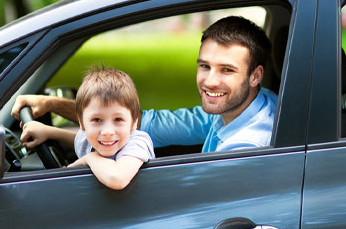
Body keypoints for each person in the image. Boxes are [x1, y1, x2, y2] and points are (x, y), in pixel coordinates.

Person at [12, 16, 277, 152]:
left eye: (227, 70)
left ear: (255, 75)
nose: (210, 81)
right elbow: (140, 124)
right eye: (204, 66)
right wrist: (51, 105)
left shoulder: (246, 146)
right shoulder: (241, 105)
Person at [20, 67, 154, 190]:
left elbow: (117, 179)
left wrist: (88, 159)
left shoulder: (138, 142)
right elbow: (79, 139)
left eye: (118, 119)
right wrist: (49, 132)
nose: (107, 132)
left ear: (134, 123)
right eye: (97, 120)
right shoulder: (89, 139)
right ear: (82, 123)